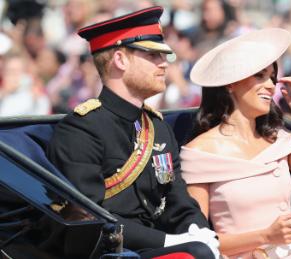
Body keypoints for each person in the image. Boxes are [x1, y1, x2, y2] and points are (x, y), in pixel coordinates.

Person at [46, 6, 219, 259]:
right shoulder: (81, 130)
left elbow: (178, 200)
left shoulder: (157, 128)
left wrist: (199, 232)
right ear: (120, 60)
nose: (164, 64)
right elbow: (89, 218)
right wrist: (170, 240)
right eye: (152, 55)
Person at [181, 28, 291, 259]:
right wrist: (266, 236)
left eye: (272, 77)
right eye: (260, 76)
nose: (270, 85)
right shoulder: (199, 152)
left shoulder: (277, 140)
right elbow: (197, 241)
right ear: (230, 84)